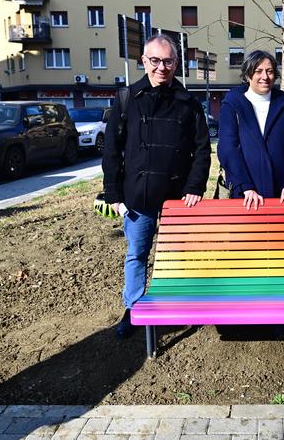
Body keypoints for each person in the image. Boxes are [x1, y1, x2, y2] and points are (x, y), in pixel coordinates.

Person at [102, 34, 211, 339]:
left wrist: (195, 186)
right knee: (137, 254)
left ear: (176, 63)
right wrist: (113, 192)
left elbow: (202, 149)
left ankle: (179, 303)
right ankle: (134, 309)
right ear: (144, 62)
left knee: (179, 255)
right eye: (155, 60)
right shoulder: (127, 99)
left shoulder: (189, 103)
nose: (161, 67)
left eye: (168, 61)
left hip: (179, 198)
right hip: (138, 195)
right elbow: (111, 150)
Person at [217, 50, 284, 210]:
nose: (264, 77)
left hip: (281, 196)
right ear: (247, 75)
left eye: (270, 71)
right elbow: (227, 149)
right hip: (244, 196)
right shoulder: (232, 104)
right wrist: (245, 186)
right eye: (258, 71)